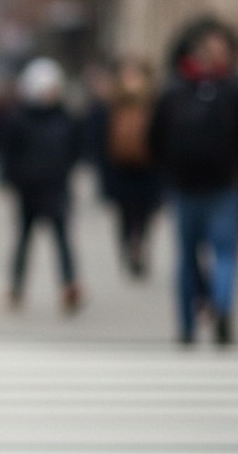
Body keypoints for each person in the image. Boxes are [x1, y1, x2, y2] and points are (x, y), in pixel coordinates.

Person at [148, 17, 238, 345]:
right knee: (224, 252)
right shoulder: (231, 90)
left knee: (187, 257)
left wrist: (166, 175)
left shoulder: (175, 89)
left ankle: (187, 327)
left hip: (185, 185)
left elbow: (155, 138)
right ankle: (221, 304)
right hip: (222, 185)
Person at [2, 57, 84, 313]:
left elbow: (74, 150)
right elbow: (9, 154)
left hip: (56, 187)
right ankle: (16, 286)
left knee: (62, 239)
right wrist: (12, 180)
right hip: (29, 190)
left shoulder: (64, 117)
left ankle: (69, 284)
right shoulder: (20, 119)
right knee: (24, 239)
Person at [101, 57, 162, 277]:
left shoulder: (152, 105)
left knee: (144, 214)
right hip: (122, 169)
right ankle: (129, 249)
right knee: (125, 214)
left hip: (147, 169)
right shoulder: (113, 106)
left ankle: (139, 249)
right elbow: (103, 142)